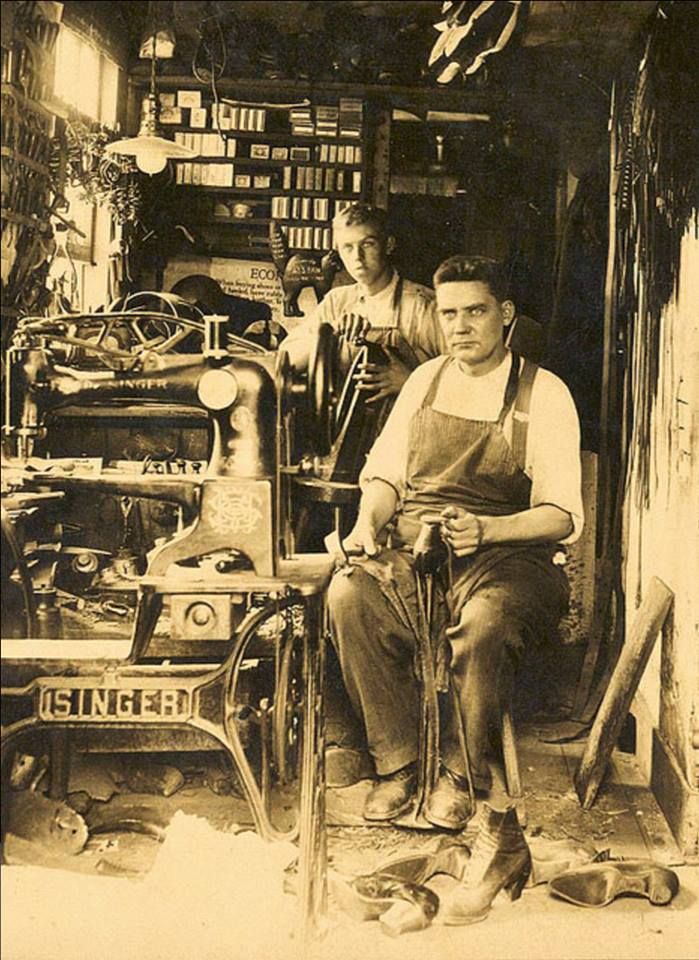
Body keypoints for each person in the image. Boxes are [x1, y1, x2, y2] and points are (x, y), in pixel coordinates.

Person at [327, 254, 583, 832]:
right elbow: (386, 477)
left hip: (509, 557)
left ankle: (461, 773)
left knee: (486, 623)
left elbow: (562, 515)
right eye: (449, 314)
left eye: (476, 311)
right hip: (420, 546)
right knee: (349, 595)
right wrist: (367, 525)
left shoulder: (544, 393)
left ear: (506, 315)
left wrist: (488, 529)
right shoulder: (424, 380)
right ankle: (398, 764)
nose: (461, 326)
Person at [282, 202, 445, 406]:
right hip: (348, 431)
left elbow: (466, 379)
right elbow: (286, 362)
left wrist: (410, 382)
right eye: (347, 247)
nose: (357, 257)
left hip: (410, 427)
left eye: (367, 244)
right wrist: (329, 332)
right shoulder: (336, 301)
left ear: (388, 245)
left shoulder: (424, 306)